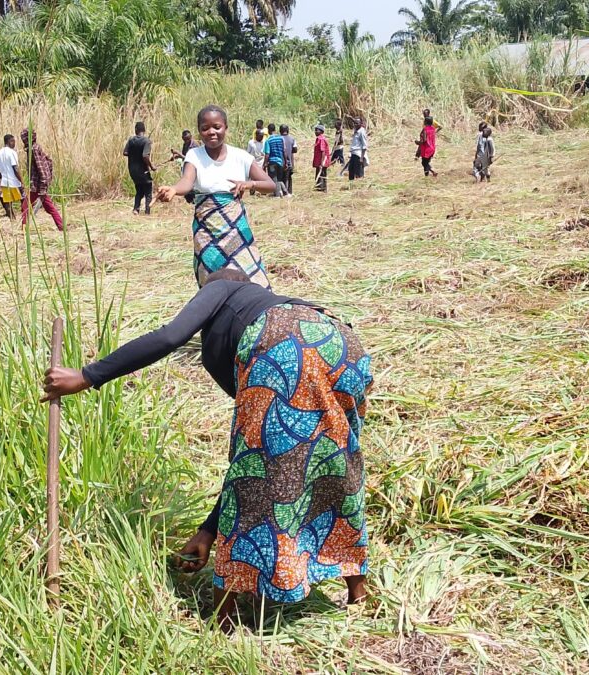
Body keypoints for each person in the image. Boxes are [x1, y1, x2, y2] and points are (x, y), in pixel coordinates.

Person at [40, 268, 374, 633]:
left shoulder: (223, 288)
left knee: (255, 471)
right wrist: (207, 531)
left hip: (287, 346)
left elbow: (170, 337)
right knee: (337, 462)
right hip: (344, 344)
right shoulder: (274, 303)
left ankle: (223, 620)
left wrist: (89, 376)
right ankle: (359, 595)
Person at [156, 105, 276, 288]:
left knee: (250, 279)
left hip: (236, 227)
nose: (211, 132)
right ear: (199, 131)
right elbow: (187, 182)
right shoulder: (194, 156)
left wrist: (249, 184)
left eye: (217, 127)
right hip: (207, 229)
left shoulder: (241, 156)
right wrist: (174, 189)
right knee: (212, 281)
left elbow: (270, 185)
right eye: (205, 128)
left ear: (226, 128)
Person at [20, 128, 65, 231]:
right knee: (50, 208)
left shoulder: (34, 150)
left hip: (37, 186)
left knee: (25, 207)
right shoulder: (34, 148)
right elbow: (48, 162)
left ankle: (23, 229)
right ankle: (61, 226)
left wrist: (43, 186)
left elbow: (41, 168)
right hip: (39, 185)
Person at [124, 121, 156, 215]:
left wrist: (134, 154)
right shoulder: (146, 141)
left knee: (139, 190)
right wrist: (152, 166)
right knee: (148, 191)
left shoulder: (131, 140)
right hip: (143, 171)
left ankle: (136, 209)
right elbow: (145, 156)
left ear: (136, 130)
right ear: (144, 130)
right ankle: (147, 212)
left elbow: (125, 153)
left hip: (132, 170)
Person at [0, 134, 24, 220]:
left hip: (4, 182)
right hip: (14, 181)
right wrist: (21, 180)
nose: (14, 143)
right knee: (23, 199)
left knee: (7, 201)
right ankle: (25, 218)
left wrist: (2, 176)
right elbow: (15, 168)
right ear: (8, 142)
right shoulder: (12, 153)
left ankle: (12, 219)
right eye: (13, 141)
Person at [263, 125, 288, 197]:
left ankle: (277, 195)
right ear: (275, 130)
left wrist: (265, 164)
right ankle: (285, 193)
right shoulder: (281, 138)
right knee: (279, 179)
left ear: (268, 131)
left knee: (274, 179)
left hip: (272, 162)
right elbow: (284, 151)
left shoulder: (268, 140)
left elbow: (267, 154)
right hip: (280, 161)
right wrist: (285, 162)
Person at [348, 117, 368, 182]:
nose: (355, 125)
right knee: (351, 171)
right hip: (353, 154)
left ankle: (359, 187)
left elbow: (364, 146)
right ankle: (351, 185)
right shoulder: (356, 130)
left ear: (361, 124)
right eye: (354, 123)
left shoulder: (362, 132)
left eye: (357, 123)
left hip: (358, 155)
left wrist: (361, 158)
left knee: (358, 173)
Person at [312, 124, 331, 192]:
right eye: (315, 130)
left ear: (321, 131)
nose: (315, 132)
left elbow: (323, 151)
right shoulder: (318, 139)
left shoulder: (321, 139)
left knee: (322, 174)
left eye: (317, 130)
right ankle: (319, 187)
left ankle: (323, 188)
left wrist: (321, 163)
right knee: (319, 173)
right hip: (319, 161)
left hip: (322, 161)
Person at [280, 124, 297, 195]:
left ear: (280, 131)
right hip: (289, 161)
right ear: (287, 130)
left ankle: (283, 192)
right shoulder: (292, 139)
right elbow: (295, 150)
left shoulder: (278, 139)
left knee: (281, 177)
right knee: (288, 177)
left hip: (280, 162)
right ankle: (288, 192)